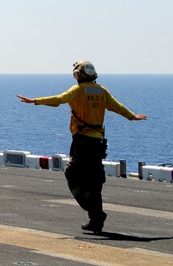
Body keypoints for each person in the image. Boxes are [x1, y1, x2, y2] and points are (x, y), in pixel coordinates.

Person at [17, 61, 147, 234]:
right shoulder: (101, 91)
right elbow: (117, 107)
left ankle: (96, 213)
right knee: (94, 180)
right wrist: (132, 117)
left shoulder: (78, 91)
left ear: (79, 75)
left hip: (82, 141)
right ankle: (96, 220)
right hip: (97, 142)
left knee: (73, 174)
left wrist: (35, 101)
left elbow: (59, 100)